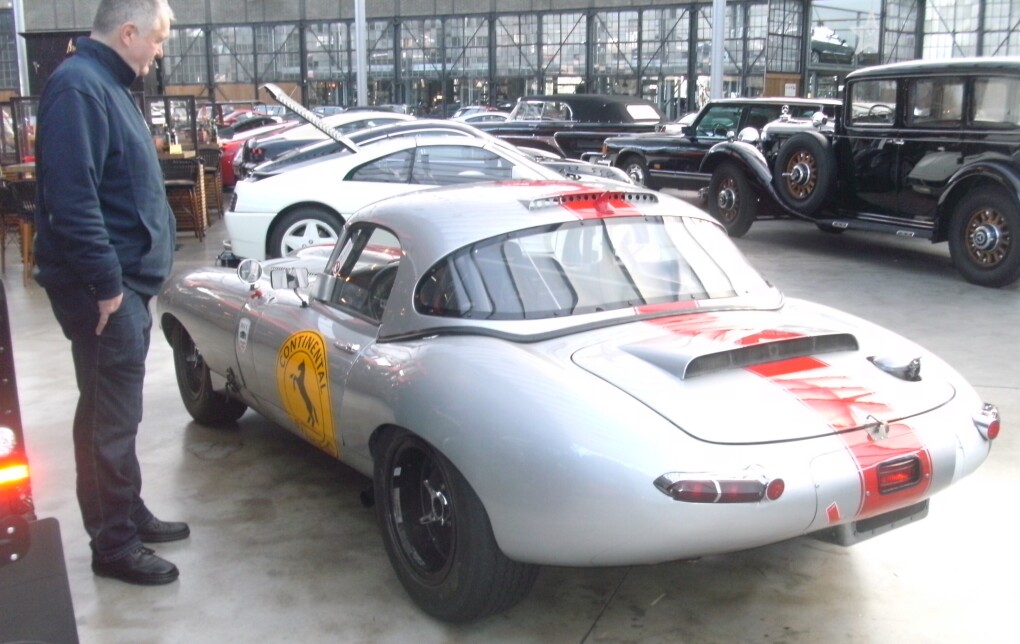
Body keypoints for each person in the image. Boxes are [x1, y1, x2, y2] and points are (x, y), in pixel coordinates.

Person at [33, 0, 187, 586]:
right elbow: (72, 199)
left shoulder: (107, 85)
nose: (159, 52)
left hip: (125, 284)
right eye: (157, 39)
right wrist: (105, 286)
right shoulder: (79, 88)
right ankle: (114, 544)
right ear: (128, 32)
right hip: (107, 291)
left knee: (119, 412)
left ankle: (126, 512)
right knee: (107, 421)